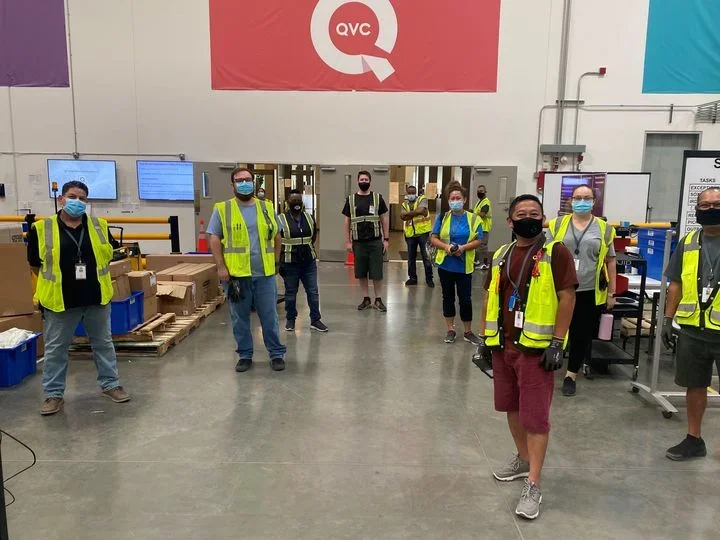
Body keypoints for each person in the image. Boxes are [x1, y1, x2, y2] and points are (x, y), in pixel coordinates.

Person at [476, 194, 577, 520]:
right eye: (521, 214)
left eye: (534, 213)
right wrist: (484, 337)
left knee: (535, 418)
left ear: (543, 219)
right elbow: (490, 296)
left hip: (536, 350)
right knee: (511, 406)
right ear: (510, 221)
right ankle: (522, 459)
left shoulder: (556, 252)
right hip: (503, 345)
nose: (528, 218)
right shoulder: (502, 254)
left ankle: (533, 483)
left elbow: (567, 297)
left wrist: (557, 342)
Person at [27, 181, 130, 416]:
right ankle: (53, 394)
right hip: (60, 300)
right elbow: (34, 264)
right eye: (72, 196)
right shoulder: (42, 228)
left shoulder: (99, 225)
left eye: (82, 198)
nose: (78, 201)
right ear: (61, 199)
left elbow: (109, 255)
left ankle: (111, 384)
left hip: (96, 297)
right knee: (56, 349)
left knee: (103, 344)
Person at [207, 167, 287, 372]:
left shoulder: (267, 207)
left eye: (247, 179)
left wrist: (276, 262)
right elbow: (214, 238)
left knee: (269, 316)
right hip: (237, 275)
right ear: (232, 185)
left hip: (265, 274)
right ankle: (245, 355)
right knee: (239, 318)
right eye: (239, 180)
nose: (244, 183)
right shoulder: (223, 209)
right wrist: (221, 267)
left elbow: (277, 236)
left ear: (254, 182)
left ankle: (276, 354)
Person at [662, 186, 720, 461]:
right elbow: (675, 283)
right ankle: (694, 439)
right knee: (694, 385)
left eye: (716, 204)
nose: (711, 209)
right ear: (696, 209)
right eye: (705, 205)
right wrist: (667, 319)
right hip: (693, 329)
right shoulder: (688, 242)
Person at [547, 184, 617, 396]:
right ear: (571, 201)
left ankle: (571, 375)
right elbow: (545, 253)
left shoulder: (604, 229)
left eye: (587, 198)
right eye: (578, 198)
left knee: (581, 333)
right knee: (552, 329)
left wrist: (611, 293)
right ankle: (548, 367)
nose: (582, 202)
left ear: (594, 202)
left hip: (588, 290)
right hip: (558, 288)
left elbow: (610, 261)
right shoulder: (557, 224)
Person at [430, 182, 483, 345]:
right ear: (448, 201)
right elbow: (434, 238)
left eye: (458, 198)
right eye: (452, 199)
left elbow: (479, 240)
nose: (455, 201)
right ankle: (450, 329)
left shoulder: (474, 219)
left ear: (464, 200)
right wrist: (446, 247)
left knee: (465, 299)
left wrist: (463, 247)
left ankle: (468, 331)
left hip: (464, 266)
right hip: (446, 265)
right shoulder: (443, 217)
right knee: (448, 297)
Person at [278, 190, 328, 333]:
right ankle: (291, 319)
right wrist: (278, 262)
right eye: (293, 200)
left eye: (298, 200)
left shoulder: (309, 218)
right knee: (290, 292)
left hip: (308, 261)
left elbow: (313, 236)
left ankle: (315, 320)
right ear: (288, 203)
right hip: (289, 261)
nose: (296, 203)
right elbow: (277, 241)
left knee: (313, 291)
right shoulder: (281, 219)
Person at [342, 170, 390, 312]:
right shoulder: (351, 200)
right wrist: (348, 242)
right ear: (358, 181)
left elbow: (384, 219)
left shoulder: (377, 198)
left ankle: (378, 299)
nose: (364, 182)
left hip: (375, 242)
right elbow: (346, 221)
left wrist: (386, 239)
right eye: (361, 180)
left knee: (377, 272)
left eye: (366, 180)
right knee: (361, 272)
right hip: (358, 243)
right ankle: (366, 299)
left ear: (370, 181)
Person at [400, 184, 434, 287]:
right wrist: (416, 212)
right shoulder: (404, 204)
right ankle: (412, 278)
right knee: (411, 257)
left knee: (426, 256)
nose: (411, 194)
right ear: (407, 193)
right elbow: (402, 216)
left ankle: (429, 279)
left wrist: (409, 214)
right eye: (409, 193)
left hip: (423, 233)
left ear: (416, 193)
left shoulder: (422, 199)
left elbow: (422, 210)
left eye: (413, 193)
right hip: (410, 234)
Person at [473, 184, 493, 270]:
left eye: (481, 191)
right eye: (478, 191)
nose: (479, 192)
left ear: (485, 192)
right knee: (476, 245)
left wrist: (473, 213)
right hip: (478, 227)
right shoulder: (479, 201)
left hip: (484, 227)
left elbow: (482, 214)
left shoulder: (485, 202)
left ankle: (485, 263)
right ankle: (477, 261)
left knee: (483, 246)